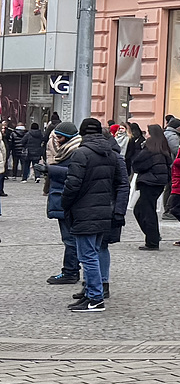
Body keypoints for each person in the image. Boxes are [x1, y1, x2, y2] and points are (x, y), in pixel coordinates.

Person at [61, 118, 128, 311]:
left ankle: (95, 298)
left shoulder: (81, 153)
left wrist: (66, 204)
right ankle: (91, 293)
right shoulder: (111, 154)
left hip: (85, 210)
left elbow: (72, 184)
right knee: (95, 251)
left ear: (82, 133)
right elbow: (120, 183)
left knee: (88, 255)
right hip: (103, 209)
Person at [42, 122, 79, 284]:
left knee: (70, 238)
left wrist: (50, 170)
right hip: (61, 197)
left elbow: (74, 173)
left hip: (68, 200)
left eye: (59, 137)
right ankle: (71, 270)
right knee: (69, 238)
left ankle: (70, 272)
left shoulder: (75, 151)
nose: (56, 140)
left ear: (69, 137)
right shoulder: (66, 149)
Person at [125, 122, 168, 249]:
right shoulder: (162, 147)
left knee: (145, 211)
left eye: (148, 132)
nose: (146, 134)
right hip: (157, 182)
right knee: (143, 209)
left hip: (149, 182)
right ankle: (152, 236)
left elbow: (138, 164)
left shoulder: (150, 148)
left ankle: (152, 239)